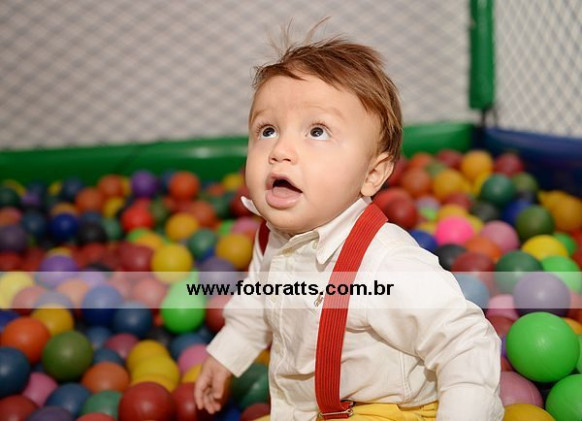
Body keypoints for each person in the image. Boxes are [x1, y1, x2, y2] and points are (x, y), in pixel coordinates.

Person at [194, 27, 504, 421]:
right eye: (267, 130)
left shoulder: (384, 263)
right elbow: (258, 303)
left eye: (317, 131)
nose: (280, 151)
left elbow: (466, 342)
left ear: (372, 175)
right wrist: (225, 356)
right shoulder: (272, 238)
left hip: (392, 411)